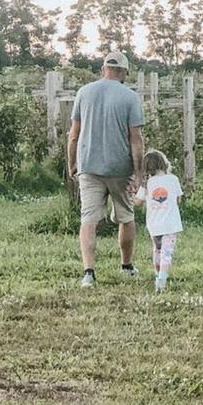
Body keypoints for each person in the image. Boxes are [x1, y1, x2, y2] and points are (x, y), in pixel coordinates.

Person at [68, 51, 145, 288]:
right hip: (119, 167)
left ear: (103, 69)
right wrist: (139, 174)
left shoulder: (84, 92)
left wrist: (72, 164)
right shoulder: (130, 97)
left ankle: (88, 272)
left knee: (88, 219)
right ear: (123, 72)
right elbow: (136, 140)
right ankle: (126, 266)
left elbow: (74, 134)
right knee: (125, 216)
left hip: (89, 165)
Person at [133, 149, 184, 293]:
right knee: (167, 253)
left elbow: (138, 202)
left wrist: (130, 196)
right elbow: (178, 199)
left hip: (154, 225)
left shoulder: (147, 183)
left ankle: (157, 275)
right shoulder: (173, 179)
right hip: (170, 224)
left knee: (157, 250)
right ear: (164, 163)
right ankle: (162, 279)